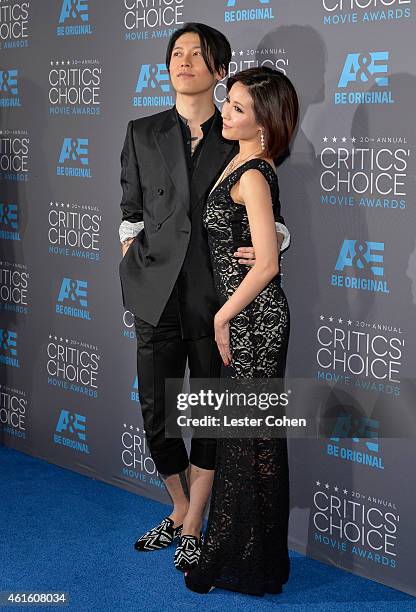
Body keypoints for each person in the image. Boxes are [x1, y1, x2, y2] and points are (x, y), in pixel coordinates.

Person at [118, 24, 290, 571]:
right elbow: (131, 211)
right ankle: (179, 504)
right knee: (157, 413)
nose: (184, 60)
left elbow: (262, 205)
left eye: (198, 54)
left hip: (217, 303)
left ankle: (194, 525)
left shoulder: (239, 130)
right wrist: (131, 263)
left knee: (213, 414)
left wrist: (278, 240)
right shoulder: (141, 132)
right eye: (176, 52)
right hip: (156, 297)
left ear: (220, 70)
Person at [183, 66, 299, 595]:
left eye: (236, 108)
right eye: (227, 103)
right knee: (249, 441)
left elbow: (268, 264)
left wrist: (223, 315)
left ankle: (239, 559)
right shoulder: (241, 160)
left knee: (251, 442)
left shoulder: (252, 172)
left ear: (264, 123)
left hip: (254, 320)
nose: (224, 112)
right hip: (246, 313)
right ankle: (256, 561)